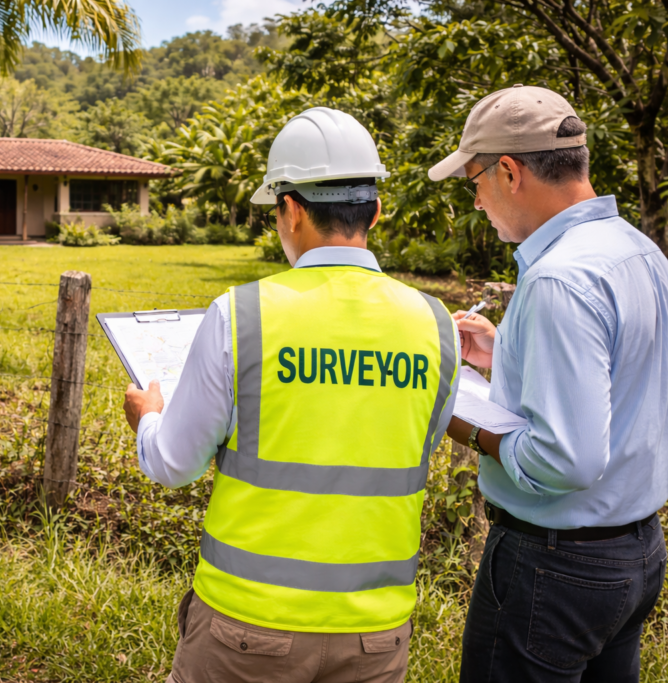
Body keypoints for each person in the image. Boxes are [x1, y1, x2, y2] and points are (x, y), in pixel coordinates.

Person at [122, 107, 459, 683]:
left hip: (246, 628)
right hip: (375, 636)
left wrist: (149, 418)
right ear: (376, 210)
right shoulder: (436, 324)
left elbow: (174, 464)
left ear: (292, 210)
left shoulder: (241, 314)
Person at [428, 84, 668, 682]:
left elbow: (564, 461)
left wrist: (463, 424)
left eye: (474, 182)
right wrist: (506, 353)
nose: (477, 202)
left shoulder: (558, 279)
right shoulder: (639, 252)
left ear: (509, 171)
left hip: (554, 566)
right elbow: (621, 375)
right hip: (636, 554)